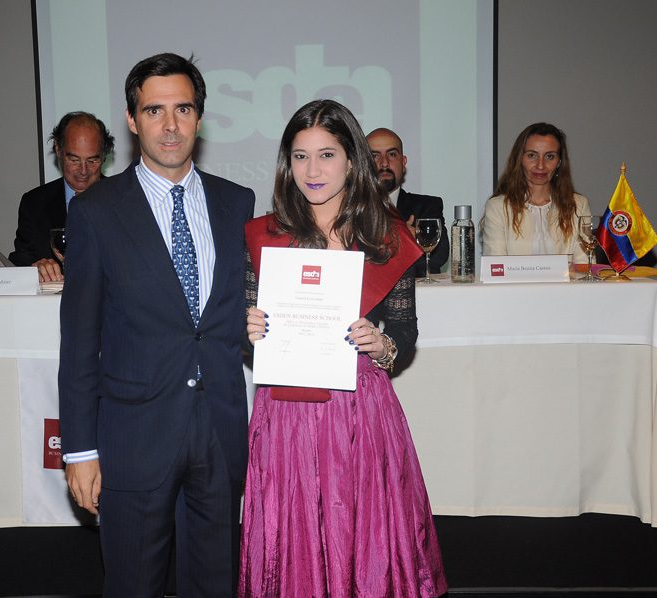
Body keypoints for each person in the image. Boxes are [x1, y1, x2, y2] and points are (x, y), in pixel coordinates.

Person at [58, 53, 255, 597]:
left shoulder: (237, 203)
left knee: (216, 584)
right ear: (131, 119)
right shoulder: (96, 211)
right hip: (134, 437)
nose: (170, 125)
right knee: (133, 584)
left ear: (200, 117)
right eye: (154, 111)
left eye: (183, 109)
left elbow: (234, 314)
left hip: (219, 432)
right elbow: (79, 344)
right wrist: (79, 450)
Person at [240, 100, 447, 597]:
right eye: (300, 156)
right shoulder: (265, 236)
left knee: (364, 538)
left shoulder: (385, 236)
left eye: (326, 155)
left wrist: (382, 344)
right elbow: (247, 337)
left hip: (360, 412)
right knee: (293, 540)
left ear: (352, 160)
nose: (312, 171)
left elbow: (404, 332)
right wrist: (250, 329)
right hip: (287, 412)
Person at [8, 111, 114, 282]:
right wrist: (35, 268)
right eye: (74, 160)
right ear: (58, 150)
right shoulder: (34, 203)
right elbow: (20, 260)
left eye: (92, 161)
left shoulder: (122, 201)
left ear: (103, 156)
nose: (83, 171)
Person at [481, 122, 591, 261]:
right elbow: (496, 266)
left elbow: (585, 265)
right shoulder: (497, 207)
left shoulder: (578, 205)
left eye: (549, 156)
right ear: (520, 159)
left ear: (559, 162)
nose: (540, 165)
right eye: (532, 155)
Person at [366, 127, 449, 276]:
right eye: (375, 156)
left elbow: (437, 259)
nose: (384, 163)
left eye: (392, 154)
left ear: (403, 162)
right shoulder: (346, 208)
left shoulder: (427, 206)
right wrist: (401, 239)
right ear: (363, 164)